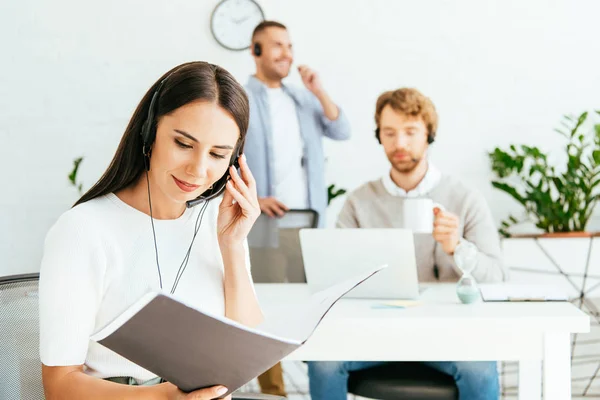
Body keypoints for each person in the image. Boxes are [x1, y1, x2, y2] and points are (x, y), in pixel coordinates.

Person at [39, 61, 262, 400]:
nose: (198, 170)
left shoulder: (220, 224)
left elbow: (243, 354)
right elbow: (60, 386)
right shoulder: (83, 230)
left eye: (218, 154)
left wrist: (232, 246)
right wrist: (164, 397)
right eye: (184, 144)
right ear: (149, 132)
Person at [307, 88, 506, 400]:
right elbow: (335, 279)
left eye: (411, 132)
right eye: (389, 133)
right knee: (324, 362)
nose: (399, 144)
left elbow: (497, 276)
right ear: (379, 137)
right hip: (374, 331)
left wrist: (457, 247)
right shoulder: (359, 201)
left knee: (479, 369)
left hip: (448, 332)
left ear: (429, 135)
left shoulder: (465, 198)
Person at [243, 20, 351, 396]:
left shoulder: (302, 98)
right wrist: (252, 200)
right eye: (276, 45)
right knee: (265, 310)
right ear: (255, 51)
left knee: (312, 305)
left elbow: (342, 130)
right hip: (263, 225)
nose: (287, 53)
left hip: (306, 225)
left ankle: (322, 381)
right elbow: (221, 159)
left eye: (289, 45)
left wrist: (318, 90)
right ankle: (274, 392)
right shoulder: (240, 99)